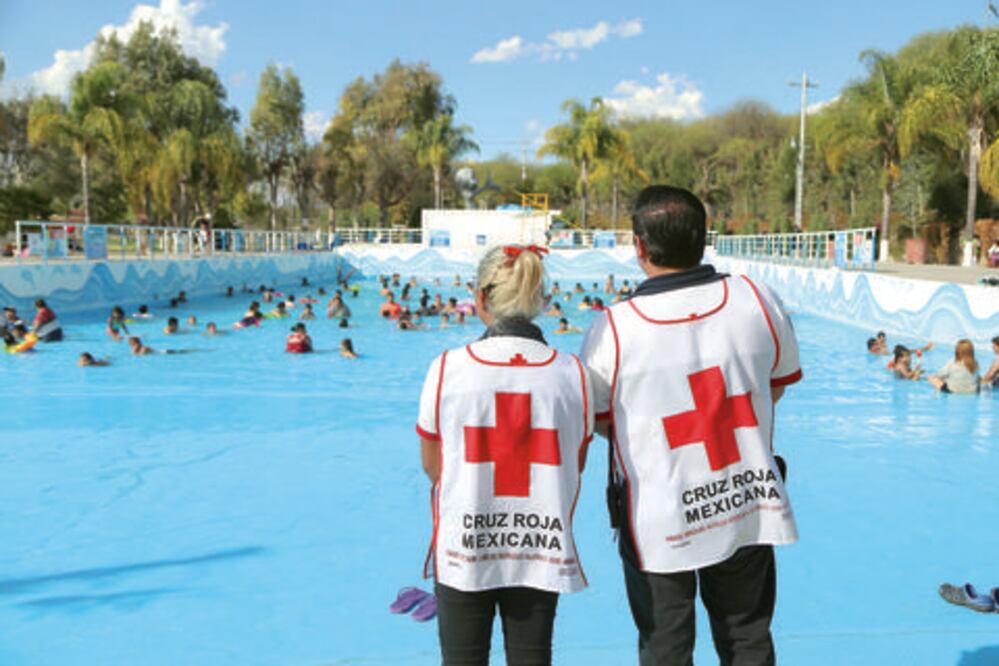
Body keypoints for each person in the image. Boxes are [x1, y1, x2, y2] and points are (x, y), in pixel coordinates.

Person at [581, 185, 802, 665]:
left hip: (656, 515)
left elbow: (602, 422)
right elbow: (776, 386)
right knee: (747, 637)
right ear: (705, 237)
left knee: (666, 648)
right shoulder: (756, 299)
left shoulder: (614, 328)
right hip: (746, 498)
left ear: (638, 245)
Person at [417, 244, 593, 666]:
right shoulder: (573, 373)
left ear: (479, 298)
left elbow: (433, 465)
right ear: (540, 301)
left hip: (465, 547)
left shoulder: (447, 368)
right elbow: (576, 463)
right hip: (541, 549)